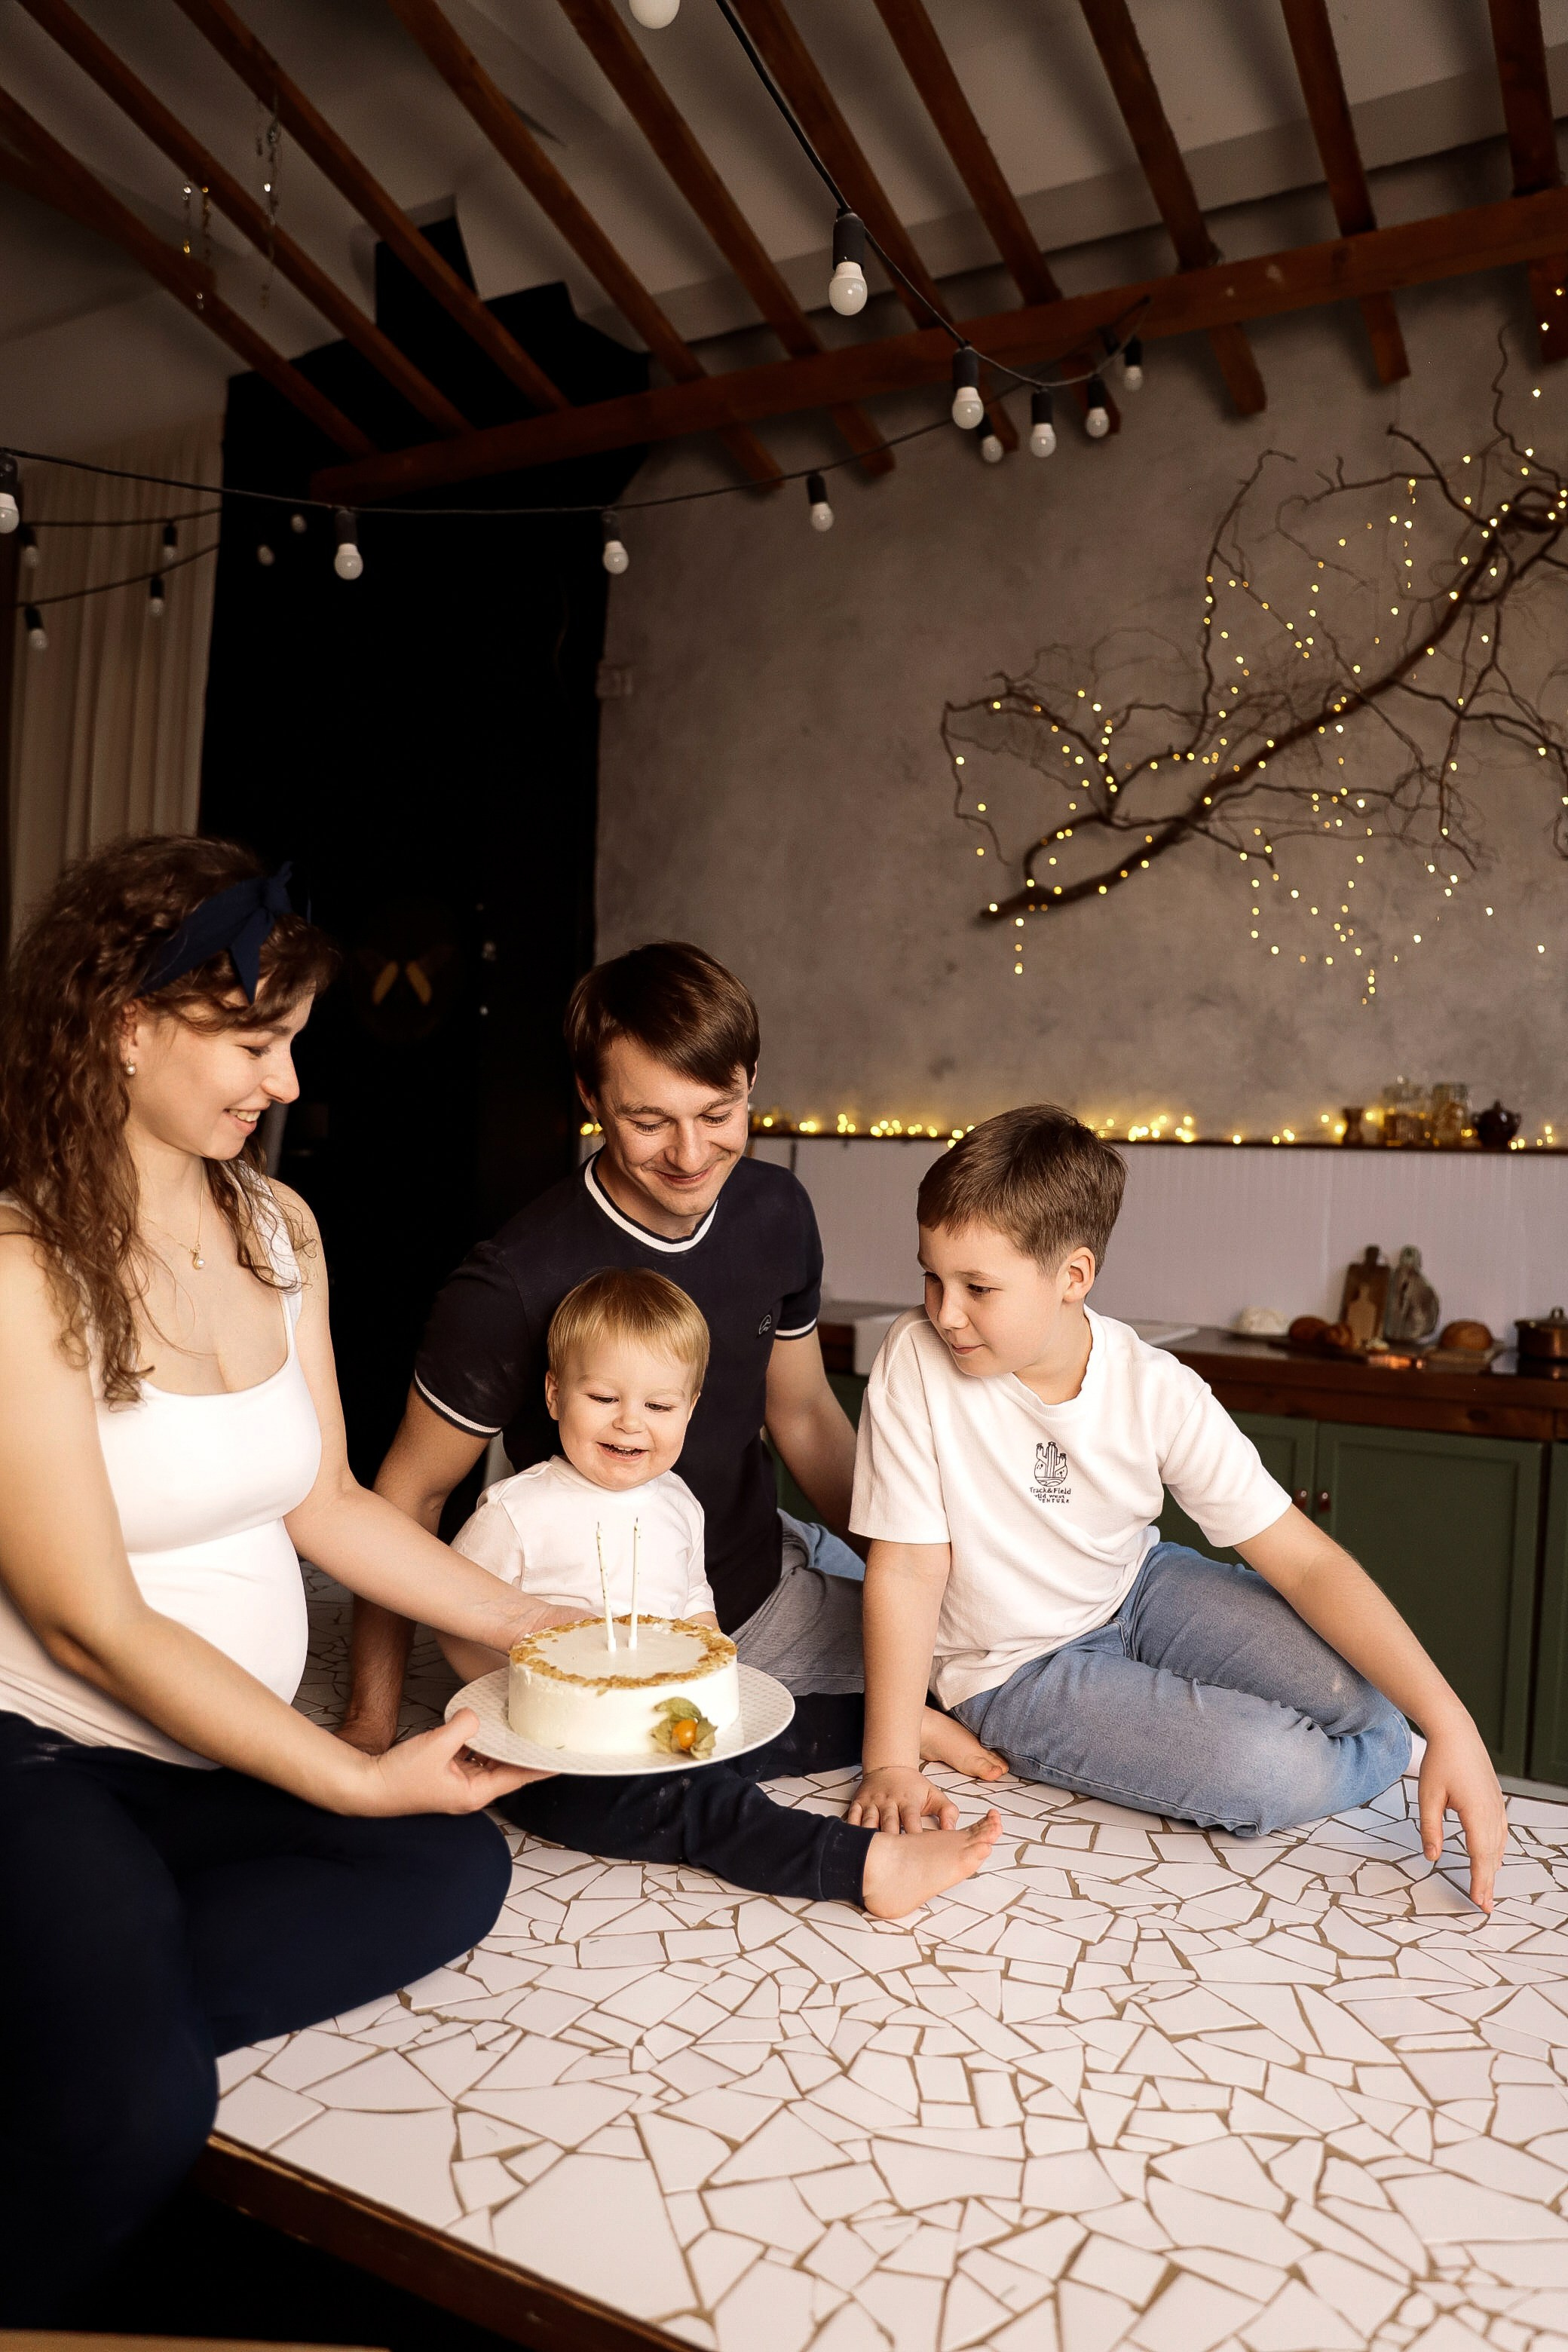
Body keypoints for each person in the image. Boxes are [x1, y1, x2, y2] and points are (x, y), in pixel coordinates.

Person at [0, 836, 574, 2323]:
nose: (290, 1084)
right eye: (256, 1044)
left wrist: (534, 1624)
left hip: (207, 1756)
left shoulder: (277, 1229)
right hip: (39, 1758)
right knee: (141, 2113)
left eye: (294, 1044)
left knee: (451, 1866)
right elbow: (86, 1620)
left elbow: (325, 1503)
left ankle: (69, 2025)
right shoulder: (19, 1264)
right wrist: (354, 1774)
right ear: (128, 1024)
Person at [341, 939, 1002, 1809]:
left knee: (999, 1650)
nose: (691, 1154)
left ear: (750, 1080)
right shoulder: (511, 1281)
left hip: (759, 1580)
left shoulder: (777, 1211)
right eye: (649, 1121)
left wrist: (915, 1573)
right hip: (612, 1636)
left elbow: (804, 1414)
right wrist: (369, 1724)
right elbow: (409, 1497)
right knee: (972, 1703)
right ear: (590, 1098)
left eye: (719, 1112)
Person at [846, 1104, 1510, 1914]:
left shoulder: (1155, 1387)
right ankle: (1374, 1753)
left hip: (1141, 1589)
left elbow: (1304, 1561)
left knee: (1365, 1694)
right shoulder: (916, 1361)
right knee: (1265, 1770)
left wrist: (1450, 1721)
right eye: (932, 1277)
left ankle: (1384, 1735)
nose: (944, 1312)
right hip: (1013, 1667)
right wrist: (889, 1760)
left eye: (977, 1288)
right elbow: (909, 1569)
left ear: (1073, 1277)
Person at [445, 1266, 1000, 1913]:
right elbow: (455, 1618)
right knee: (703, 1806)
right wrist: (517, 1712)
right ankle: (865, 1867)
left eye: (658, 1407)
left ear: (690, 1408)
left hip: (667, 1726)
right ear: (553, 1394)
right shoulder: (515, 1511)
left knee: (782, 1724)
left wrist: (719, 1691)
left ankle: (896, 1727)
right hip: (558, 1762)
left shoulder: (678, 1502)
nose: (630, 1424)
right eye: (602, 1398)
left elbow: (694, 1610)